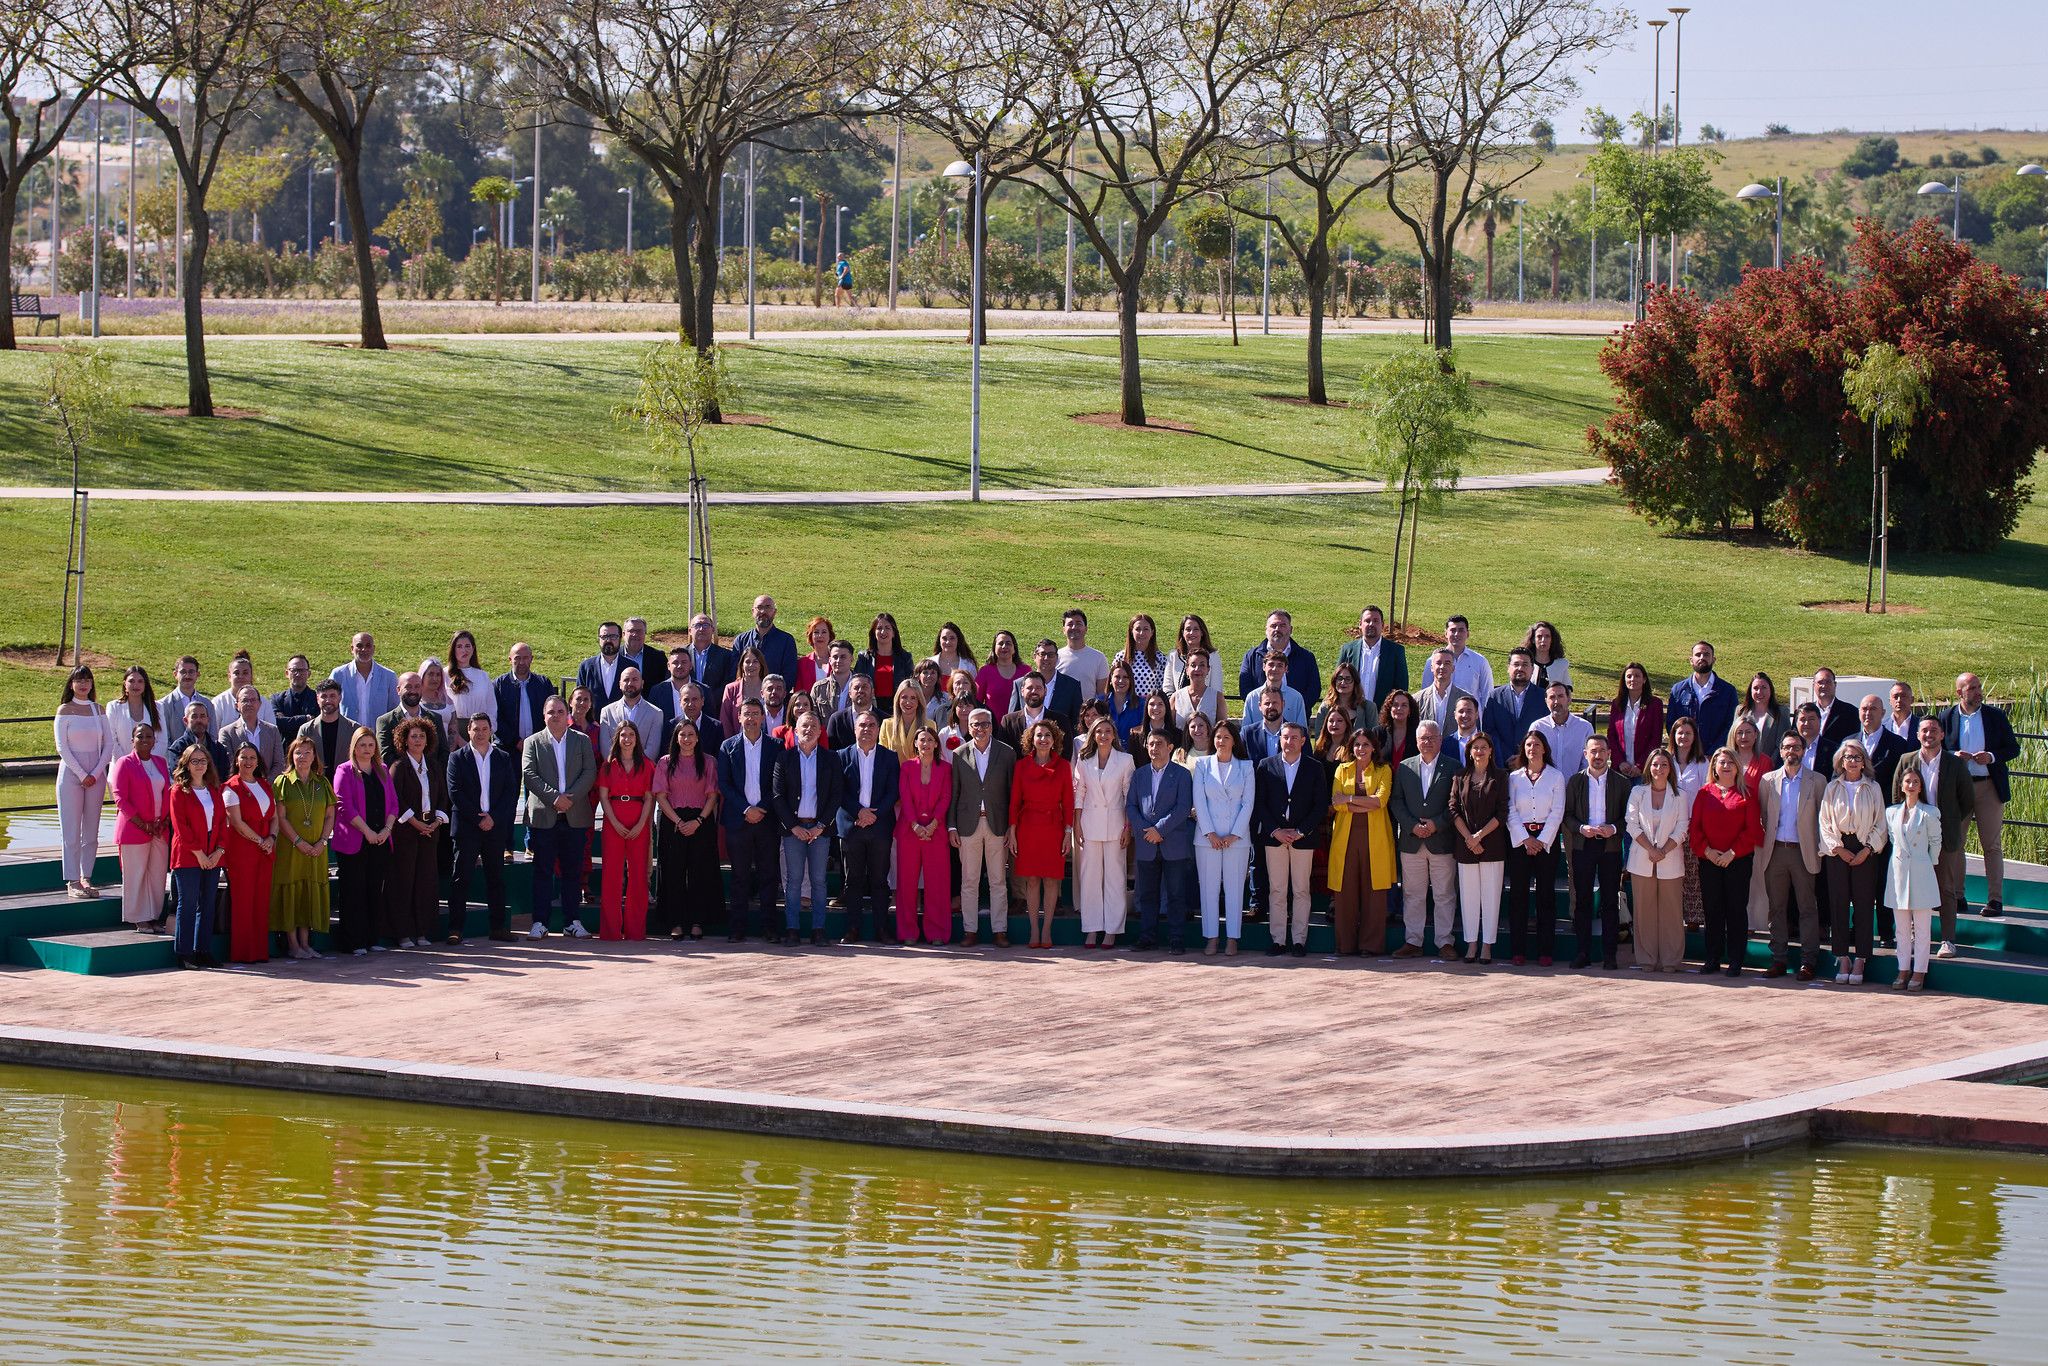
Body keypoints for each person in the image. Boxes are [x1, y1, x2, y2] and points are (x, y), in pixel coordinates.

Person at [1939, 671, 2021, 918]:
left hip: (1988, 785)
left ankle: (1995, 900)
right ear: (1959, 692)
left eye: (1978, 687)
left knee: (1991, 845)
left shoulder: (1995, 716)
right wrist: (1955, 756)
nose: (1977, 692)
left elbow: (2013, 748)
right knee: (1956, 843)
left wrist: (1992, 757)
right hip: (1959, 786)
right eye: (1971, 688)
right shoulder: (1947, 716)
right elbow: (1938, 749)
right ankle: (1957, 895)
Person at [522, 696, 598, 940]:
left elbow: (590, 772)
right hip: (545, 817)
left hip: (575, 817)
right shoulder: (533, 742)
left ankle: (572, 921)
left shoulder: (582, 740)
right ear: (543, 716)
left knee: (573, 872)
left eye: (560, 711)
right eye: (550, 711)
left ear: (568, 715)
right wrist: (555, 798)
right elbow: (529, 773)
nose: (555, 715)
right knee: (543, 871)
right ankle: (540, 922)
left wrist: (571, 798)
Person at [1898, 715, 1973, 960]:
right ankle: (1913, 937)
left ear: (1942, 735)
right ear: (1917, 735)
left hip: (1944, 837)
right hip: (1912, 838)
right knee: (1913, 889)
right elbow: (1896, 797)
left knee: (1946, 889)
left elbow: (1967, 801)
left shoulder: (1955, 764)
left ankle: (1948, 940)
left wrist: (1947, 824)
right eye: (1924, 731)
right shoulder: (1907, 760)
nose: (1928, 735)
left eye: (1934, 731)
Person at [1253, 721, 1329, 957]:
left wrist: (1300, 831)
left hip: (1302, 839)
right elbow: (1259, 803)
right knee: (1276, 889)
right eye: (1285, 737)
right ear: (1280, 740)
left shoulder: (1314, 768)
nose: (1289, 742)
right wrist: (1275, 830)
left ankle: (1298, 941)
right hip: (1274, 838)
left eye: (1294, 737)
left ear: (1303, 741)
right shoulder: (1266, 766)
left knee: (1301, 890)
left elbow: (1319, 805)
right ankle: (1278, 940)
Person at [1819, 738, 1887, 986]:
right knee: (1838, 904)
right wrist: (1838, 849)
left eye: (1857, 757)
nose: (1853, 762)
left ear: (1864, 761)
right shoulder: (1832, 787)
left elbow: (1881, 823)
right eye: (1848, 757)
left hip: (1865, 851)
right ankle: (1842, 957)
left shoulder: (1873, 788)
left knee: (1863, 905)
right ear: (1841, 760)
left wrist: (1867, 849)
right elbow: (1824, 822)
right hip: (1838, 850)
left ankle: (1860, 958)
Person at [1757, 731, 1824, 979]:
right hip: (1775, 851)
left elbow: (1821, 818)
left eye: (1796, 747)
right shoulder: (1768, 781)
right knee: (1776, 908)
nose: (1791, 752)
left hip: (1803, 852)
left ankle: (1808, 961)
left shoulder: (1817, 781)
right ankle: (1778, 959)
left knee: (1807, 907)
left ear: (1803, 750)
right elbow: (1764, 815)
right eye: (1787, 747)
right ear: (1781, 750)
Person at [717, 698, 784, 943]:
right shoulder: (728, 747)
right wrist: (746, 808)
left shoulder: (775, 746)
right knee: (739, 876)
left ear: (763, 717)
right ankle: (737, 928)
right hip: (738, 820)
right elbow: (724, 783)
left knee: (768, 875)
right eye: (747, 714)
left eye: (756, 714)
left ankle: (769, 928)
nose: (752, 718)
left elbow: (778, 784)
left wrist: (761, 808)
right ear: (739, 716)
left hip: (767, 820)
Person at [445, 713, 516, 943]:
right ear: (469, 731)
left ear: (491, 730)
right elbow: (455, 793)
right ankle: (455, 929)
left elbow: (509, 792)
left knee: (495, 878)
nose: (480, 733)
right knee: (461, 878)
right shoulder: (457, 758)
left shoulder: (503, 758)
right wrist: (478, 819)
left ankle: (498, 928)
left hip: (494, 828)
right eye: (476, 729)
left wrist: (493, 817)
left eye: (484, 729)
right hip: (467, 827)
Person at [1392, 719, 1459, 959]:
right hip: (1412, 842)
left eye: (1432, 737)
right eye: (1423, 738)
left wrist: (1436, 824)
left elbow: (1456, 803)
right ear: (1416, 741)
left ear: (1440, 739)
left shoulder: (1453, 767)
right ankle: (1413, 941)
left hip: (1441, 841)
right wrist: (1411, 825)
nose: (1427, 742)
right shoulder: (1404, 767)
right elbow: (1396, 801)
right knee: (1412, 894)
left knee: (1444, 894)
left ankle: (1444, 942)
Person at [767, 711, 836, 945]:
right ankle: (792, 929)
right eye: (803, 726)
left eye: (813, 726)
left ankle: (818, 930)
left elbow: (835, 796)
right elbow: (777, 796)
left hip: (819, 831)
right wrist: (793, 826)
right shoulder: (783, 759)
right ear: (795, 730)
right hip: (793, 830)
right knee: (793, 881)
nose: (808, 730)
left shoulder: (831, 759)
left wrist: (820, 826)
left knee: (818, 881)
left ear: (820, 731)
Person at [1691, 747, 1760, 977]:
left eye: (1731, 762)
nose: (1726, 766)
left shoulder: (1747, 794)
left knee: (1736, 910)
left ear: (1737, 767)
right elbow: (1695, 829)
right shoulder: (1704, 793)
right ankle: (1713, 958)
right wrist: (1707, 851)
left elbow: (1753, 831)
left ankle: (1735, 960)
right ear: (1714, 767)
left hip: (1737, 861)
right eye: (1722, 762)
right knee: (1713, 910)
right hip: (1709, 861)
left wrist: (1732, 852)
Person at [1563, 736, 1630, 970]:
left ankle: (1610, 955)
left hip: (1610, 847)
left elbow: (1628, 818)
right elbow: (1567, 815)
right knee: (1582, 901)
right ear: (1585, 754)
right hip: (1583, 845)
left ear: (1609, 753)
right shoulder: (1575, 782)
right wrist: (1582, 828)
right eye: (1593, 751)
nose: (1598, 756)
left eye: (1602, 751)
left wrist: (1612, 828)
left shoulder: (1621, 783)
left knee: (1610, 901)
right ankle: (1583, 952)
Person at [653, 719, 722, 941]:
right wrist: (678, 822)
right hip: (673, 820)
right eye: (682, 735)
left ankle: (696, 921)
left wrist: (698, 821)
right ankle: (675, 922)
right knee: (673, 873)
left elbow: (712, 796)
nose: (687, 739)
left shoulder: (708, 762)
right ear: (676, 738)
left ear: (697, 737)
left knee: (699, 872)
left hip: (700, 821)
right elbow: (661, 796)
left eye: (691, 734)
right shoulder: (665, 762)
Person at [947, 709, 1011, 946]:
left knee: (998, 880)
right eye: (975, 725)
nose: (980, 729)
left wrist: (1011, 827)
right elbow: (955, 793)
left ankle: (1000, 931)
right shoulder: (959, 754)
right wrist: (951, 827)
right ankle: (970, 930)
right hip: (967, 825)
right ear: (969, 726)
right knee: (969, 880)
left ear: (992, 726)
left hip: (997, 824)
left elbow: (1011, 793)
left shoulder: (1007, 753)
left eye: (984, 724)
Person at [1127, 729, 1195, 952]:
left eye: (1158, 744)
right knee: (1147, 893)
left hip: (1173, 842)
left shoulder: (1182, 775)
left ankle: (1176, 938)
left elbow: (1183, 807)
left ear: (1170, 747)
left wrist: (1159, 829)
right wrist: (1145, 830)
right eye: (1150, 744)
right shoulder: (1139, 774)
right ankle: (1148, 936)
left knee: (1176, 894)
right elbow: (1131, 806)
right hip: (1146, 843)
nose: (1154, 748)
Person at [1008, 719, 1074, 950]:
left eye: (1047, 735)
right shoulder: (1021, 766)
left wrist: (1068, 833)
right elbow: (1015, 801)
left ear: (1054, 739)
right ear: (1032, 740)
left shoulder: (1064, 766)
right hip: (1028, 827)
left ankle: (1047, 929)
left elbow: (1068, 802)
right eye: (1039, 735)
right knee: (1033, 880)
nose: (1043, 739)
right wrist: (1013, 831)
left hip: (1053, 827)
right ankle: (1034, 929)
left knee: (1051, 879)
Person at [1329, 727, 1394, 957]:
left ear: (1374, 747)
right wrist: (1362, 801)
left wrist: (1349, 799)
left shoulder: (1383, 770)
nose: (1361, 748)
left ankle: (1370, 945)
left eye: (1366, 744)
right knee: (1345, 893)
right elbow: (1336, 804)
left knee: (1374, 894)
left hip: (1375, 838)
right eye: (1357, 744)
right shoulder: (1341, 770)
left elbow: (1380, 801)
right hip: (1345, 838)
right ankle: (1345, 945)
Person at [54, 665, 118, 899]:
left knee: (91, 830)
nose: (83, 685)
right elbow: (62, 747)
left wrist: (96, 771)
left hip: (96, 774)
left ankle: (86, 877)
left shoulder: (98, 710)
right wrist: (82, 774)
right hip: (72, 774)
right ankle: (72, 880)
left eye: (87, 681)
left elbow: (108, 744)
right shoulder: (64, 710)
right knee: (71, 830)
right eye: (79, 680)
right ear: (71, 683)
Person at [837, 710, 901, 943]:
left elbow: (893, 791)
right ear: (855, 729)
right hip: (852, 826)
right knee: (852, 880)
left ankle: (882, 929)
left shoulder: (890, 757)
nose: (866, 729)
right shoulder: (841, 756)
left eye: (871, 725)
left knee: (879, 880)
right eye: (862, 725)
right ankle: (852, 929)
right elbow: (839, 791)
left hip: (880, 827)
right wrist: (858, 812)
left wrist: (874, 815)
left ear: (878, 729)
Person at [1502, 730, 1565, 966]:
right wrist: (1525, 839)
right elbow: (1510, 809)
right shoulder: (1514, 777)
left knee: (1545, 897)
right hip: (1520, 841)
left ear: (1544, 748)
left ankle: (1545, 951)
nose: (1532, 749)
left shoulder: (1556, 776)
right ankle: (1518, 950)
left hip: (1546, 842)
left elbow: (1557, 811)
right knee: (1518, 896)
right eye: (1528, 745)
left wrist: (1541, 840)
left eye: (1537, 744)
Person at [1192, 720, 1254, 955]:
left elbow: (1248, 802)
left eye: (1226, 737)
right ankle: (1211, 936)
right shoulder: (1202, 765)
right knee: (1208, 888)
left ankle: (1232, 937)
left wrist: (1233, 835)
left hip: (1236, 839)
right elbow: (1199, 800)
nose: (1221, 741)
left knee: (1235, 888)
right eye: (1218, 737)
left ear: (1234, 740)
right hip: (1207, 838)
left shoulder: (1246, 767)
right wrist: (1210, 833)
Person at [387, 717, 450, 949]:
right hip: (406, 832)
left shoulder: (433, 765)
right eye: (413, 736)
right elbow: (396, 799)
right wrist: (414, 822)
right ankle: (403, 934)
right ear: (404, 740)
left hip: (430, 832)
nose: (417, 740)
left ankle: (422, 931)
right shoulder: (399, 766)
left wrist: (436, 821)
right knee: (404, 881)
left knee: (426, 882)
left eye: (421, 736)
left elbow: (442, 796)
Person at [1624, 748, 1689, 972]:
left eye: (1663, 765)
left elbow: (1682, 828)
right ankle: (1646, 959)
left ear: (1670, 768)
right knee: (1644, 912)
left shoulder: (1680, 795)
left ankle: (1671, 960)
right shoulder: (1637, 793)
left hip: (1670, 860)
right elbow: (1631, 824)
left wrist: (1663, 850)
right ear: (1648, 767)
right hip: (1641, 859)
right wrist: (1651, 849)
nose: (1658, 769)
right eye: (1655, 764)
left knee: (1671, 912)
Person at [332, 727, 395, 956]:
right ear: (354, 747)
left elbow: (394, 804)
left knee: (374, 890)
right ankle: (353, 941)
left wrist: (387, 829)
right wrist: (367, 831)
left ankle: (371, 938)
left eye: (370, 745)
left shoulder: (383, 770)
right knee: (353, 892)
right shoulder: (344, 771)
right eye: (362, 745)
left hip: (380, 840)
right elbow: (344, 806)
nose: (367, 749)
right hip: (355, 841)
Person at [1072, 716, 1134, 948]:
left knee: (1115, 878)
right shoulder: (1084, 760)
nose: (1104, 735)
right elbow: (1079, 793)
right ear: (1093, 735)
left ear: (1114, 735)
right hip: (1089, 823)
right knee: (1089, 878)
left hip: (1116, 825)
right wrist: (1077, 824)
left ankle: (1112, 929)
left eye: (1108, 731)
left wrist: (1128, 827)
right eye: (1099, 732)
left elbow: (1129, 796)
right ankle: (1091, 928)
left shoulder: (1126, 760)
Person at [272, 736, 335, 961]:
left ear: (314, 756)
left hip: (316, 850)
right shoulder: (282, 782)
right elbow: (280, 817)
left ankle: (306, 943)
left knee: (308, 892)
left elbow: (330, 815)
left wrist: (321, 842)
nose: (303, 757)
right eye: (298, 752)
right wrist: (299, 842)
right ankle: (293, 944)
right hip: (291, 849)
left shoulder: (322, 783)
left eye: (307, 752)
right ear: (291, 756)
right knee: (292, 891)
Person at [167, 743, 228, 969]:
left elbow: (222, 823)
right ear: (186, 764)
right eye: (195, 761)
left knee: (208, 904)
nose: (200, 765)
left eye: (203, 761)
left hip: (213, 855)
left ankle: (202, 949)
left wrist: (218, 851)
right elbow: (181, 828)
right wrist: (200, 854)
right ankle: (184, 952)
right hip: (188, 855)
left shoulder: (214, 790)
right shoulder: (178, 791)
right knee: (188, 903)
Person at [1449, 732, 1508, 964]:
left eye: (1484, 747)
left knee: (1491, 898)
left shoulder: (1501, 776)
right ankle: (1471, 944)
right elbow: (1453, 808)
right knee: (1469, 898)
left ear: (1491, 751)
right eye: (1475, 748)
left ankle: (1487, 946)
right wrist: (1469, 838)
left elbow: (1503, 812)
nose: (1480, 751)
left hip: (1492, 845)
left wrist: (1480, 836)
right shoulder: (1459, 776)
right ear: (1469, 751)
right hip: (1466, 847)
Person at [1885, 766, 1944, 993]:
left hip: (1921, 873)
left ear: (1920, 787)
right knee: (1901, 928)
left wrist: (1926, 864)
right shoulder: (1891, 813)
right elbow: (1893, 838)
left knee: (1922, 928)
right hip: (1898, 873)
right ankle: (1902, 969)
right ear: (1901, 786)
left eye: (1915, 782)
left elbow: (1936, 841)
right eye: (1907, 781)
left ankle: (1919, 971)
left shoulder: (1930, 812)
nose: (1911, 785)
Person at [893, 725, 953, 946]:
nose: (925, 743)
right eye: (921, 740)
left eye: (930, 739)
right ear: (915, 744)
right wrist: (916, 825)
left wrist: (934, 823)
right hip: (910, 831)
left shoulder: (946, 769)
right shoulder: (907, 767)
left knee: (937, 883)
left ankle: (937, 931)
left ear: (936, 744)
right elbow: (905, 797)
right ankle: (908, 931)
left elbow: (946, 797)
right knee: (907, 883)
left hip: (936, 832)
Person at [596, 719, 656, 941]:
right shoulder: (607, 765)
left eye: (631, 735)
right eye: (623, 735)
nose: (627, 739)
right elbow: (603, 796)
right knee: (611, 876)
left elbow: (650, 797)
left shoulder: (648, 765)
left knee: (639, 876)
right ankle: (611, 931)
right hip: (614, 822)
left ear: (637, 738)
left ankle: (635, 930)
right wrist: (614, 822)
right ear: (617, 739)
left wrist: (641, 823)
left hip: (639, 821)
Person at [111, 722, 172, 933]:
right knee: (136, 874)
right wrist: (141, 823)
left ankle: (154, 916)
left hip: (159, 828)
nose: (145, 740)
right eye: (140, 736)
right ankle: (139, 918)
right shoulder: (124, 763)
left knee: (157, 875)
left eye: (148, 736)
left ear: (155, 741)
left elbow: (168, 793)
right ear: (132, 740)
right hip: (134, 828)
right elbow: (119, 797)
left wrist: (163, 821)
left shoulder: (161, 763)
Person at [219, 741, 277, 964]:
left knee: (261, 901)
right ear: (236, 761)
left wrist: (270, 839)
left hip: (265, 850)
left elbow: (274, 817)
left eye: (252, 757)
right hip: (243, 851)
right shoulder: (231, 787)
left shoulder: (264, 784)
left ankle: (260, 951)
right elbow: (237, 822)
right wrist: (260, 840)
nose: (248, 762)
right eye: (244, 757)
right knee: (244, 902)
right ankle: (244, 952)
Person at [1670, 716, 1711, 928]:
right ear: (1673, 735)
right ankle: (1674, 916)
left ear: (1694, 737)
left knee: (1693, 873)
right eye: (1680, 732)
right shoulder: (1666, 760)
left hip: (1694, 825)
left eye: (1688, 733)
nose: (1683, 737)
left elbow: (1707, 794)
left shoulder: (1703, 764)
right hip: (1669, 826)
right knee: (1673, 872)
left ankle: (1694, 919)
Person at [1481, 648, 1546, 774]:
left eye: (1525, 665)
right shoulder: (1494, 697)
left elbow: (1546, 731)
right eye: (1516, 664)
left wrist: (1524, 757)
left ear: (1532, 669)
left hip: (1535, 768)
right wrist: (1506, 757)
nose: (1520, 668)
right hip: (1502, 767)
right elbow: (1489, 731)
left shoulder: (1543, 697)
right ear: (1508, 668)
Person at [1667, 641, 1736, 758]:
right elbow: (1672, 724)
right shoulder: (1678, 690)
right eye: (1698, 655)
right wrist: (1685, 750)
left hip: (1715, 758)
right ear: (1691, 660)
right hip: (1685, 757)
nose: (1702, 658)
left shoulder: (1727, 691)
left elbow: (1731, 725)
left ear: (1713, 659)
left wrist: (1714, 752)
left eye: (1706, 655)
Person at [1336, 605, 1409, 712]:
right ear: (1360, 624)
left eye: (1376, 621)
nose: (1371, 624)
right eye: (1367, 621)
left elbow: (1401, 687)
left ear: (1382, 625)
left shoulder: (1395, 651)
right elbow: (1337, 682)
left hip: (1382, 715)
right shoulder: (1347, 650)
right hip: (1351, 714)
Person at [1238, 609, 1320, 704]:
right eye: (1273, 626)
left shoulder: (1306, 657)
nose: (1277, 629)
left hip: (1295, 716)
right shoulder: (1251, 657)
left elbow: (1314, 690)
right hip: (1261, 716)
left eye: (1282, 625)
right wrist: (1264, 710)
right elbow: (1245, 689)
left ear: (1291, 629)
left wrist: (1295, 709)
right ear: (1266, 630)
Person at [1010, 637, 1083, 738]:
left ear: (1057, 658)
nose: (1046, 658)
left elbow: (1077, 722)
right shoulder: (1019, 684)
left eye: (1051, 655)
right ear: (1034, 656)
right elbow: (1012, 720)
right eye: (1042, 654)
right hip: (1024, 748)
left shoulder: (1071, 686)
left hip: (1058, 748)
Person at [493, 642, 557, 751]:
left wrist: (538, 740)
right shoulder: (498, 685)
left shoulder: (543, 684)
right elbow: (495, 718)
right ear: (510, 660)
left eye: (525, 658)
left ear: (531, 659)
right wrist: (516, 742)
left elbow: (552, 713)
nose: (522, 662)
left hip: (540, 747)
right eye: (517, 658)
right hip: (508, 749)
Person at [1606, 663, 1664, 780]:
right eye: (1629, 676)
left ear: (1644, 679)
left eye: (1637, 676)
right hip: (1620, 770)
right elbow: (1611, 736)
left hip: (1643, 772)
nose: (1633, 679)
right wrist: (1620, 762)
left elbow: (1655, 738)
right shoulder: (1617, 704)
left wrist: (1641, 765)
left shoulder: (1655, 704)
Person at [375, 671, 445, 767]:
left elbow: (443, 753)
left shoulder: (435, 719)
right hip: (400, 778)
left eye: (417, 686)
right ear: (398, 690)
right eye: (408, 687)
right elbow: (386, 756)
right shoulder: (385, 721)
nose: (413, 691)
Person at [330, 633, 400, 729]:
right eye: (359, 645)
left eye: (368, 645)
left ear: (373, 648)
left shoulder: (389, 676)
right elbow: (330, 705)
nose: (364, 649)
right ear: (352, 649)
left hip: (377, 737)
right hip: (347, 736)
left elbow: (394, 710)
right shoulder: (338, 675)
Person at [219, 684, 286, 778]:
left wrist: (265, 785)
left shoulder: (272, 730)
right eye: (245, 700)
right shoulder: (227, 733)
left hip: (268, 788)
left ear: (259, 704)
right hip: (239, 787)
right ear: (236, 705)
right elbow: (229, 764)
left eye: (253, 700)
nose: (249, 704)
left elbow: (279, 763)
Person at [732, 594, 799, 685]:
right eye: (759, 607)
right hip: (745, 697)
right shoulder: (741, 641)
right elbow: (735, 673)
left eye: (768, 607)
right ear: (753, 612)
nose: (763, 611)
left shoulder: (786, 641)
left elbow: (789, 676)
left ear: (774, 612)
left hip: (775, 697)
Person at [1854, 691, 1911, 798]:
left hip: (1883, 806)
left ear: (1883, 713)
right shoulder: (1848, 742)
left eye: (1873, 709)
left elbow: (1901, 780)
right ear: (1859, 712)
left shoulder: (1898, 744)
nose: (1868, 713)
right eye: (1864, 709)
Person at [598, 666, 663, 757]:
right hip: (615, 769)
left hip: (644, 769)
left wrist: (635, 768)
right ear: (620, 684)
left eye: (635, 679)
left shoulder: (656, 713)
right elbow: (606, 749)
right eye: (626, 680)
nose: (630, 683)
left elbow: (652, 750)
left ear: (642, 683)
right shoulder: (607, 712)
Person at [1809, 667, 1860, 778]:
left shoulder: (1850, 712)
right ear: (1814, 685)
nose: (1823, 686)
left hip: (1836, 773)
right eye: (1820, 682)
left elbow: (1853, 744)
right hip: (1808, 771)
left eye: (1828, 682)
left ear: (1835, 685)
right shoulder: (1804, 712)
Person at [107, 665, 164, 763]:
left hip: (150, 768)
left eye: (140, 681)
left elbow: (162, 740)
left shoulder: (157, 707)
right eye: (131, 681)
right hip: (121, 767)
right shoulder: (113, 707)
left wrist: (147, 762)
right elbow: (111, 740)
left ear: (145, 684)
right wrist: (127, 763)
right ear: (125, 684)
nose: (136, 685)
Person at [303, 680, 361, 777]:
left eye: (332, 696)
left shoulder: (354, 728)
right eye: (324, 696)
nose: (328, 700)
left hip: (346, 782)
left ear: (340, 698)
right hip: (315, 784)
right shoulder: (306, 730)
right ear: (317, 699)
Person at [446, 629, 498, 734]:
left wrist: (488, 730)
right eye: (459, 646)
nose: (464, 650)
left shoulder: (483, 676)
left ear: (473, 648)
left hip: (479, 731)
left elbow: (491, 707)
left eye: (467, 646)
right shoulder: (445, 674)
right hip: (453, 730)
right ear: (453, 650)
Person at [167, 698, 230, 782]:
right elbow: (178, 775)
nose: (199, 720)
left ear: (208, 720)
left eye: (202, 716)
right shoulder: (177, 748)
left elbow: (223, 776)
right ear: (186, 720)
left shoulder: (218, 748)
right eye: (194, 716)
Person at [157, 655, 210, 753]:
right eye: (183, 672)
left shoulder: (207, 703)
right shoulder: (163, 705)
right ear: (175, 674)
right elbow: (164, 740)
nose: (187, 675)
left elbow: (212, 734)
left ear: (198, 674)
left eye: (191, 672)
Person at [1244, 649, 1309, 729]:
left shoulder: (1296, 698)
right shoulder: (1252, 697)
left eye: (1280, 665)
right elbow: (1245, 731)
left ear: (1286, 669)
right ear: (1264, 667)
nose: (1275, 669)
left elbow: (1302, 730)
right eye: (1271, 664)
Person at [1162, 613, 1226, 694]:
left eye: (1196, 629)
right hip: (1177, 705)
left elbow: (1217, 689)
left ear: (1202, 632)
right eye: (1188, 629)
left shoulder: (1213, 656)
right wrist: (1176, 703)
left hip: (1205, 705)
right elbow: (1167, 688)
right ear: (1182, 632)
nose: (1192, 633)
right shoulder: (1173, 656)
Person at [1412, 649, 1470, 736]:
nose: (1442, 666)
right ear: (1431, 667)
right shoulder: (1417, 699)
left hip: (1454, 749)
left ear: (1453, 668)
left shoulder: (1466, 700)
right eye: (1438, 663)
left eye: (1447, 663)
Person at [211, 651, 276, 727]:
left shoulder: (264, 704)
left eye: (245, 673)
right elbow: (213, 733)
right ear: (229, 676)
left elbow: (272, 733)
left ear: (251, 676)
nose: (241, 676)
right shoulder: (218, 702)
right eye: (236, 673)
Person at [1170, 646, 1227, 732]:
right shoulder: (1176, 697)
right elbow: (1169, 730)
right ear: (1187, 670)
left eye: (1202, 665)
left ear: (1208, 670)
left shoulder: (1217, 697)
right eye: (1193, 665)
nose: (1197, 669)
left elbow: (1222, 730)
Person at [1058, 608, 1111, 699]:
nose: (1074, 627)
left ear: (1086, 629)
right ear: (1063, 630)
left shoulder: (1098, 658)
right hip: (1061, 711)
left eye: (1079, 623)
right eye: (1070, 624)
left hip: (1088, 712)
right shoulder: (1055, 656)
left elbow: (1102, 694)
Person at [1735, 672, 1791, 757]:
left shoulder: (1781, 712)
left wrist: (1768, 766)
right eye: (1755, 688)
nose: (1759, 692)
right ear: (1750, 691)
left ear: (1770, 690)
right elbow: (1734, 740)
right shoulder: (1740, 711)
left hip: (1770, 767)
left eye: (1764, 688)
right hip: (1743, 765)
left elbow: (1782, 744)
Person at [575, 621, 629, 708]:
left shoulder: (630, 666)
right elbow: (579, 698)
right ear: (598, 639)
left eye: (613, 636)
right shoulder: (586, 667)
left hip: (622, 720)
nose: (608, 640)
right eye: (604, 637)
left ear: (620, 638)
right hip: (593, 720)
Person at [1113, 613, 1167, 699]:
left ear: (1152, 632)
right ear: (1131, 631)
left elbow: (1162, 689)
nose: (1141, 633)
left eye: (1146, 629)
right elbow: (1113, 685)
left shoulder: (1160, 659)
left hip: (1147, 708)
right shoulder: (1121, 657)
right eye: (1138, 629)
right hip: (1125, 707)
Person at [649, 645, 702, 733]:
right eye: (675, 663)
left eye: (684, 662)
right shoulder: (656, 691)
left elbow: (709, 723)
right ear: (668, 666)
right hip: (666, 743)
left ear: (691, 665)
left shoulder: (704, 690)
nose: (679, 666)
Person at [719, 646, 769, 736]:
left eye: (755, 661)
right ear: (742, 665)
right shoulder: (731, 689)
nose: (751, 665)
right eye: (747, 662)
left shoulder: (769, 689)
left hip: (766, 742)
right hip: (738, 743)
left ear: (761, 664)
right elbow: (725, 721)